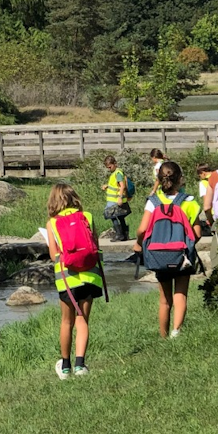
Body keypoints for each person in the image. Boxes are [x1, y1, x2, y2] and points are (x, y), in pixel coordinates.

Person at [133, 162, 201, 338]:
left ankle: (162, 336)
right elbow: (197, 234)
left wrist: (140, 243)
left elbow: (141, 230)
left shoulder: (153, 202)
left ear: (159, 180)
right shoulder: (190, 202)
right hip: (182, 255)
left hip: (159, 255)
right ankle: (176, 331)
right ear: (180, 179)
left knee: (164, 300)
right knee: (181, 295)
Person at [47, 183, 103, 379]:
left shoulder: (52, 223)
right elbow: (94, 244)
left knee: (66, 322)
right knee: (82, 321)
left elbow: (54, 254)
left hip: (66, 278)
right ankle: (80, 366)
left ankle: (65, 367)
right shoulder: (87, 217)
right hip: (90, 275)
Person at [101, 155, 131, 241]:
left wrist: (120, 197)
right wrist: (107, 186)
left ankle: (119, 234)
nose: (109, 169)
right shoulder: (115, 174)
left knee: (112, 216)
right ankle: (124, 234)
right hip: (113, 199)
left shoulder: (118, 173)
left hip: (115, 199)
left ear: (115, 164)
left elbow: (122, 186)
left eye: (110, 167)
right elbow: (115, 185)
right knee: (120, 216)